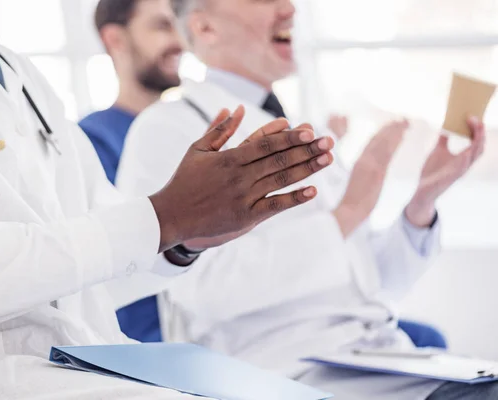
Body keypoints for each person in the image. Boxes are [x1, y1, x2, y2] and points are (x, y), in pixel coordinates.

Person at [0, 0, 337, 398]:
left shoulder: (17, 72)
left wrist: (185, 237)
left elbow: (100, 260)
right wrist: (164, 217)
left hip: (83, 361)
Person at [115, 0, 492, 399]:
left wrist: (422, 202)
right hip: (280, 373)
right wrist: (347, 214)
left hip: (377, 360)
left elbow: (375, 286)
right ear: (206, 28)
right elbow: (200, 293)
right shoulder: (165, 128)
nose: (289, 7)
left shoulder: (297, 126)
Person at [79, 0, 185, 343]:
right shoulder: (90, 142)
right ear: (116, 40)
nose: (180, 42)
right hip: (147, 347)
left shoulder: (191, 132)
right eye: (161, 26)